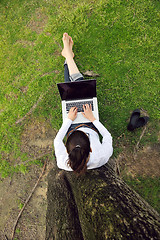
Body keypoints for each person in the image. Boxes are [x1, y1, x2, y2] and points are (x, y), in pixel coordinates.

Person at [54, 33, 113, 176]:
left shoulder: (63, 161)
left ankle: (68, 56)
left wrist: (69, 120)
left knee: (75, 90)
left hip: (71, 125)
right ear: (91, 150)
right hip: (90, 123)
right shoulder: (102, 157)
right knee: (78, 87)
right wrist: (93, 119)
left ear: (67, 151)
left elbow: (57, 139)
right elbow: (107, 137)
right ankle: (67, 56)